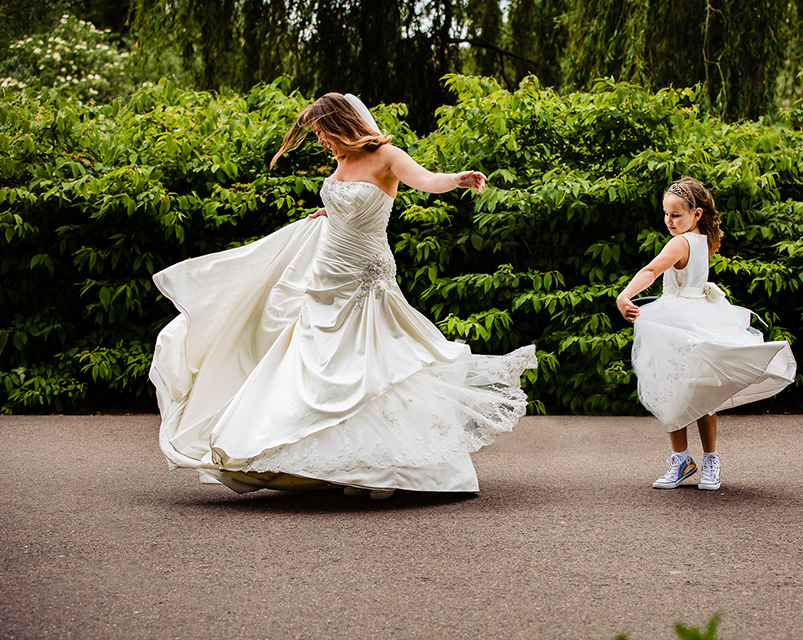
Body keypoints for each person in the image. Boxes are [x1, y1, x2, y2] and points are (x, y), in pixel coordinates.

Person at [150, 92, 537, 500]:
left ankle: (386, 468)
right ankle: (348, 466)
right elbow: (345, 201)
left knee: (373, 365)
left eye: (322, 132)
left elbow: (425, 180)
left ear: (340, 124)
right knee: (324, 364)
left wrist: (456, 179)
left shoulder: (387, 156)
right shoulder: (341, 162)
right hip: (327, 274)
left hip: (365, 273)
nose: (320, 141)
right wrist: (329, 213)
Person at [616, 177, 796, 491]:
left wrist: (625, 295)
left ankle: (683, 459)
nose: (669, 221)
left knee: (672, 387)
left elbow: (651, 270)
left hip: (679, 319)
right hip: (699, 314)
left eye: (676, 215)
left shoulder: (680, 242)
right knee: (701, 387)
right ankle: (707, 460)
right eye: (666, 214)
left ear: (696, 214)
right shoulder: (702, 239)